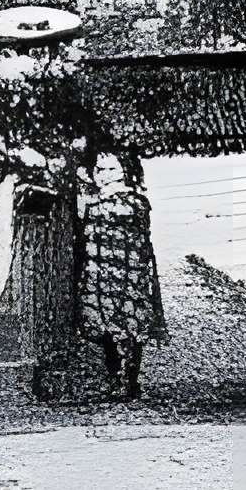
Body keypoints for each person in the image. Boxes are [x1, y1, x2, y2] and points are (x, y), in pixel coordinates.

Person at [0, 3, 113, 403]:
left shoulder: (66, 88)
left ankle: (61, 359)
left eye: (47, 49)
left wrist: (72, 154)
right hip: (20, 195)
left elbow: (88, 133)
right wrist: (21, 156)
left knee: (63, 276)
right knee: (27, 275)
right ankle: (32, 362)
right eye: (30, 50)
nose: (39, 58)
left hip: (62, 196)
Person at [76, 146, 166, 399]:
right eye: (100, 169)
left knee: (129, 326)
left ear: (125, 171)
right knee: (103, 327)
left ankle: (129, 380)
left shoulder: (133, 203)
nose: (104, 175)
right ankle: (115, 377)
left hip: (128, 274)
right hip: (98, 272)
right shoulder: (90, 203)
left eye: (111, 169)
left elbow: (139, 242)